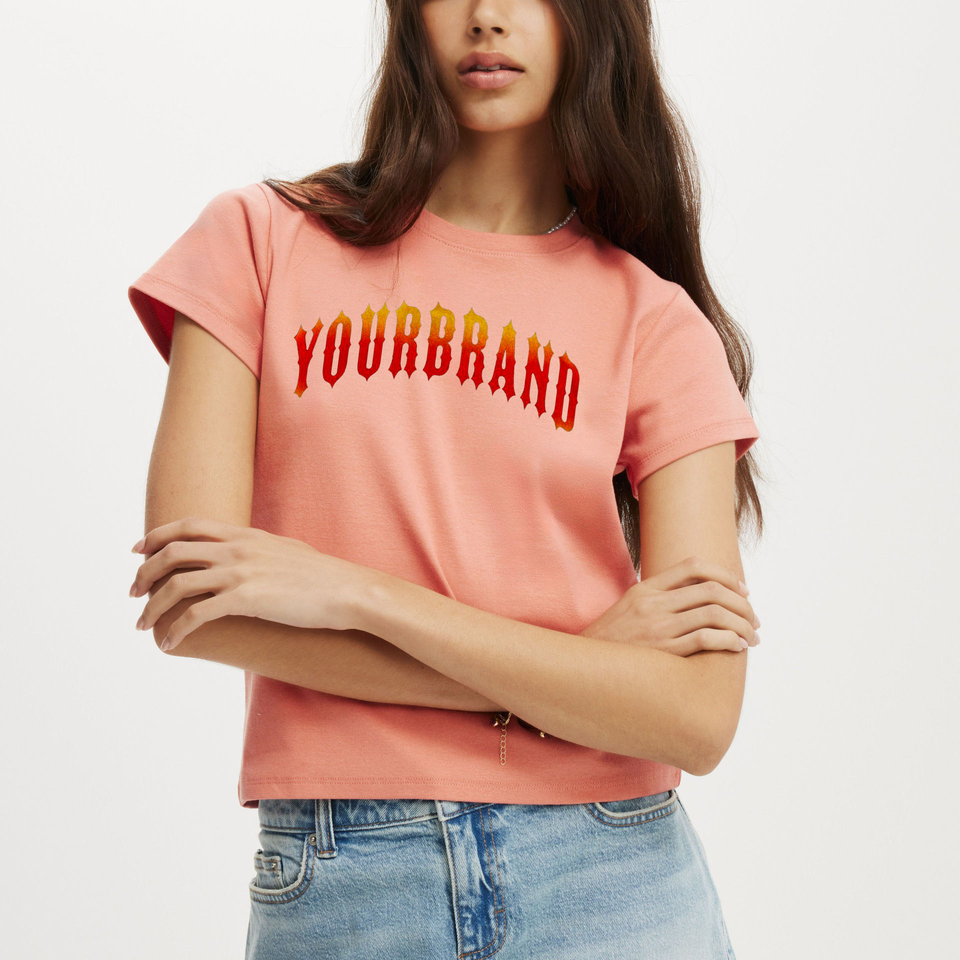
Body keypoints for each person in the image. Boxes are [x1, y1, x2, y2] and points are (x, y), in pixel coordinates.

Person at [126, 1, 764, 956]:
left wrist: (356, 594)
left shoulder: (656, 322)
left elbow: (697, 717)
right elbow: (194, 605)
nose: (486, 18)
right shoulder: (259, 241)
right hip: (348, 878)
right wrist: (574, 669)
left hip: (612, 879)